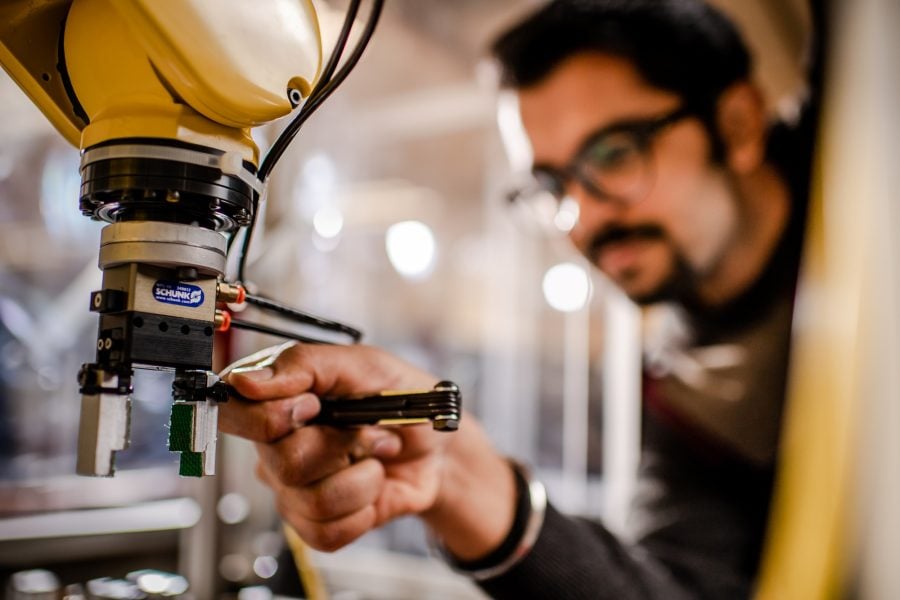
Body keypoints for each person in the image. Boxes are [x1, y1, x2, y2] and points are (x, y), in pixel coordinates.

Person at [219, 1, 819, 598]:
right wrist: (456, 478)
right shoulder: (690, 393)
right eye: (553, 184)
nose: (582, 218)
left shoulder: (869, 165)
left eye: (613, 153)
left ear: (737, 124)